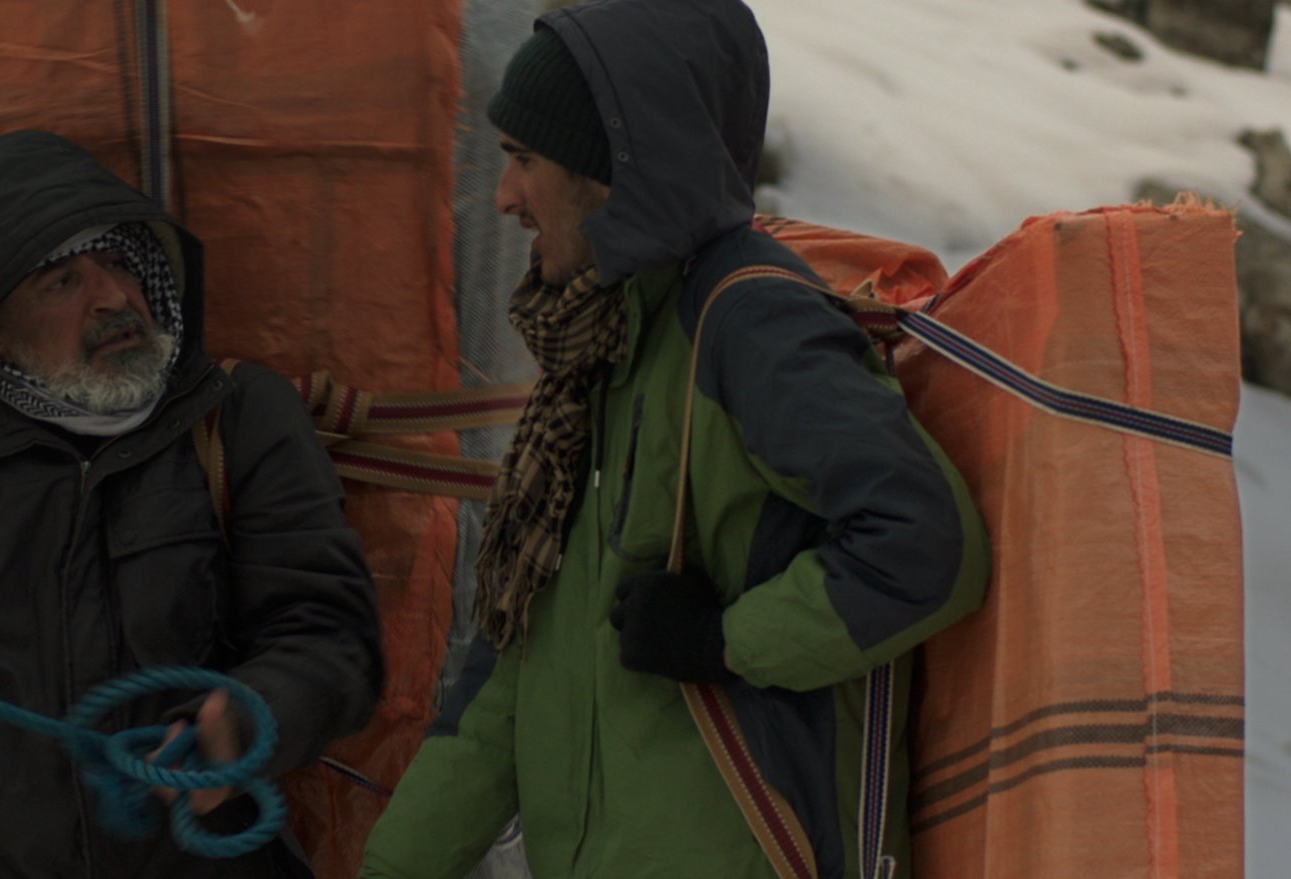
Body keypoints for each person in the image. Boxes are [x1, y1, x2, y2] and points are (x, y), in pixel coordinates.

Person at [361, 1, 989, 877]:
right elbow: (510, 685)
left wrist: (725, 640)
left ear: (612, 168)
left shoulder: (747, 321)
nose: (503, 197)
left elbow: (926, 545)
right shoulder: (600, 349)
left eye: (523, 160)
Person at [0, 129, 383, 878]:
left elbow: (334, 638)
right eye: (60, 280)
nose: (113, 297)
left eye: (120, 260)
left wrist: (253, 715)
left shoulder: (239, 419)